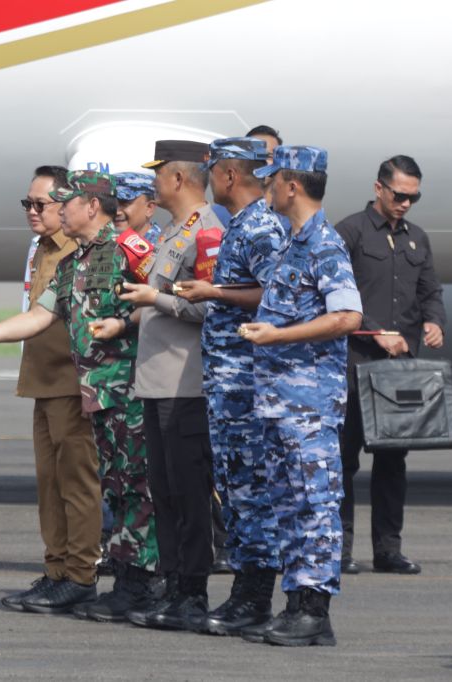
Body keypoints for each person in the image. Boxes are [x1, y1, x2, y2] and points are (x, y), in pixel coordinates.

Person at [0, 170, 159, 623]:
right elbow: (37, 317)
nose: (56, 210)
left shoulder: (134, 251)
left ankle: (144, 585)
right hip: (98, 396)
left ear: (91, 205)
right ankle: (116, 584)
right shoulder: (76, 262)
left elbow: (167, 303)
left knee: (137, 488)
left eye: (64, 202)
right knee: (117, 488)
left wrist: (125, 324)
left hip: (129, 393)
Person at [238, 146, 363, 647]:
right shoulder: (293, 245)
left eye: (271, 180)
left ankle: (315, 611)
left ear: (292, 186)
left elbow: (348, 317)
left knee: (314, 505)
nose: (265, 188)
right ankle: (295, 606)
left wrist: (277, 336)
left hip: (309, 406)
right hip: (280, 403)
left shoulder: (325, 246)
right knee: (288, 506)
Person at [105, 140, 224, 631]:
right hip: (157, 385)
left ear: (178, 179)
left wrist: (157, 298)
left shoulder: (209, 231)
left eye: (159, 174)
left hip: (185, 384)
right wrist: (130, 317)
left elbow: (212, 307)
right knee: (166, 493)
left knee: (189, 493)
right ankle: (173, 587)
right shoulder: (177, 230)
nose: (153, 182)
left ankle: (192, 592)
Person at [174, 137, 286, 636]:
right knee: (236, 491)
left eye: (213, 171)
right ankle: (246, 589)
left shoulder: (260, 226)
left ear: (227, 175)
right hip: (228, 384)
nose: (210, 180)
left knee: (250, 491)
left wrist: (213, 291)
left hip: (247, 383)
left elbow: (276, 294)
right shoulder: (242, 224)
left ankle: (255, 595)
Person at [335, 155, 445, 576]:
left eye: (413, 198)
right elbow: (335, 295)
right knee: (344, 463)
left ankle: (387, 549)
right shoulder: (350, 232)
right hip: (355, 363)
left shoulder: (417, 238)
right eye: (399, 195)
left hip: (399, 371)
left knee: (392, 463)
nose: (405, 204)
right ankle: (341, 550)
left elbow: (430, 290)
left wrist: (435, 321)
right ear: (379, 188)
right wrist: (373, 330)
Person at [0, 166, 102, 615]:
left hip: (72, 382)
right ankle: (57, 570)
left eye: (40, 204)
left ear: (66, 206)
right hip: (43, 381)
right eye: (28, 204)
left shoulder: (78, 251)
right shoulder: (40, 248)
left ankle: (80, 574)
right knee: (48, 485)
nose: (32, 212)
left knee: (76, 484)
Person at [112, 172, 161, 245]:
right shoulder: (109, 245)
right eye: (111, 203)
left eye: (124, 203)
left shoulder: (163, 247)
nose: (116, 211)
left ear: (149, 208)